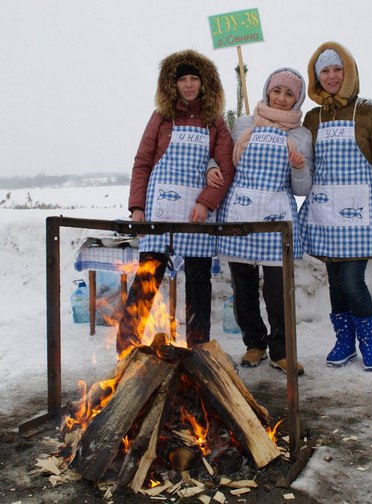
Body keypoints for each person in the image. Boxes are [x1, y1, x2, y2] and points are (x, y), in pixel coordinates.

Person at [117, 49, 235, 354]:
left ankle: (198, 351)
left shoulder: (215, 123)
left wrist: (207, 203)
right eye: (182, 79)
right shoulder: (161, 118)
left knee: (198, 281)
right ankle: (126, 345)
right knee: (148, 276)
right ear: (173, 84)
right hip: (159, 207)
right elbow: (143, 161)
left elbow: (225, 167)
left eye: (194, 78)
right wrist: (137, 207)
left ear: (205, 83)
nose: (189, 84)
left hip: (196, 211)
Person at [298, 42, 372, 371]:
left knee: (353, 282)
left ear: (349, 73)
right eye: (324, 70)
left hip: (359, 213)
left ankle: (369, 341)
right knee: (334, 281)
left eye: (337, 69)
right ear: (317, 76)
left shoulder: (371, 112)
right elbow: (308, 165)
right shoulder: (312, 117)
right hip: (326, 213)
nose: (331, 76)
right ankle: (344, 340)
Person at [216, 68, 313, 375]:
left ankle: (281, 351)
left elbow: (302, 188)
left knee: (277, 290)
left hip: (277, 217)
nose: (282, 99)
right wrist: (210, 169)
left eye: (290, 94)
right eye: (277, 91)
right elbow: (222, 158)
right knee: (243, 288)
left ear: (297, 100)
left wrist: (298, 168)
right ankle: (254, 343)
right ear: (267, 91)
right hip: (240, 213)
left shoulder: (300, 135)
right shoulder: (245, 123)